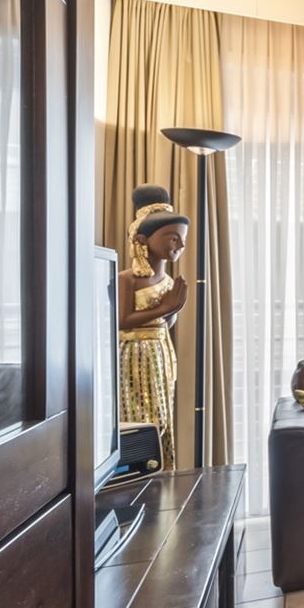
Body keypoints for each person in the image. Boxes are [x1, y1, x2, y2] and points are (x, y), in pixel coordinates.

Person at [118, 184, 190, 465]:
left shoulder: (168, 281)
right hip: (133, 355)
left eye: (182, 240)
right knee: (137, 413)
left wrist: (173, 310)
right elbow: (122, 321)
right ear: (143, 239)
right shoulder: (127, 279)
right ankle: (136, 467)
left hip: (160, 353)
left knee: (162, 411)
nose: (180, 246)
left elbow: (165, 323)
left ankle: (161, 468)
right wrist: (166, 308)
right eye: (173, 239)